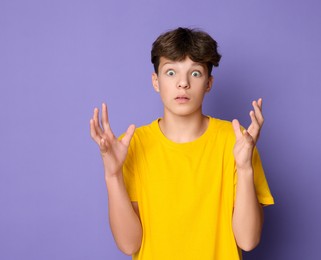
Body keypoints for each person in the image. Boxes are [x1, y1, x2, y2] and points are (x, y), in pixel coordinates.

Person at [90, 27, 274, 260]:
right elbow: (129, 245)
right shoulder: (133, 145)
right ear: (155, 81)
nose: (183, 83)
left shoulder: (237, 141)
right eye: (171, 73)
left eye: (195, 73)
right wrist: (112, 175)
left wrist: (245, 167)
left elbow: (248, 241)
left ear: (208, 83)